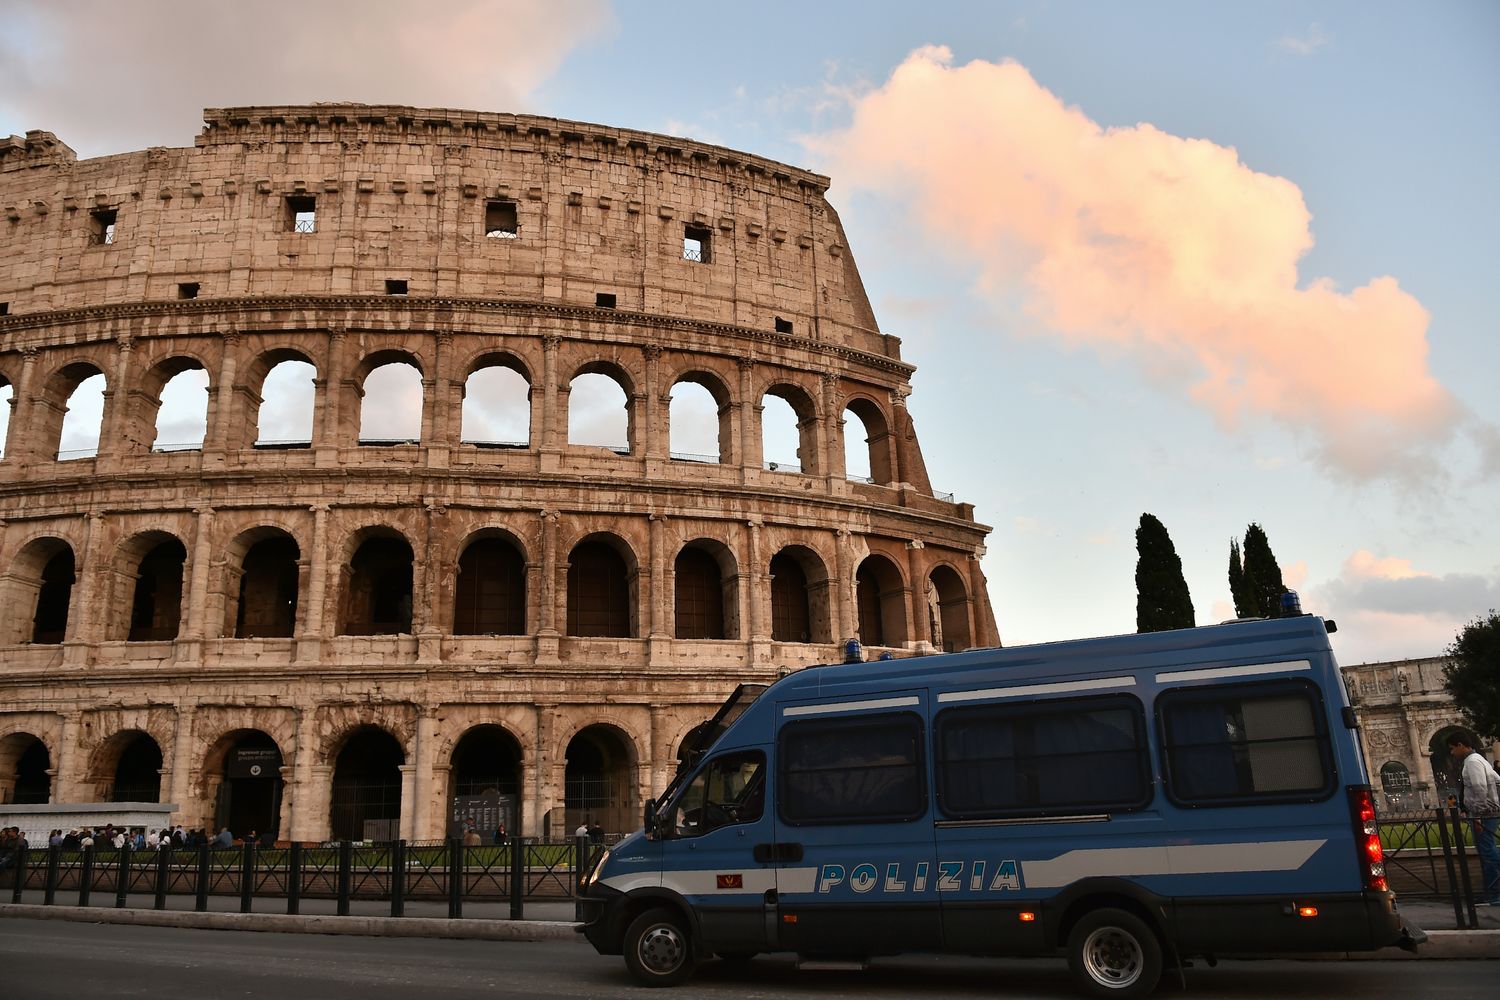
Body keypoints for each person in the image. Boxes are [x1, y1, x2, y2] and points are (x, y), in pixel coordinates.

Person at [1446, 733, 1500, 905]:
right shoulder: (1479, 759)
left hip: (1484, 814)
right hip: (1489, 812)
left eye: (1452, 748)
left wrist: (1477, 816)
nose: (1452, 753)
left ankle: (1494, 894)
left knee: (1487, 852)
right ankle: (1491, 893)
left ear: (1461, 745)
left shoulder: (1472, 762)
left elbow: (1480, 788)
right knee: (1487, 850)